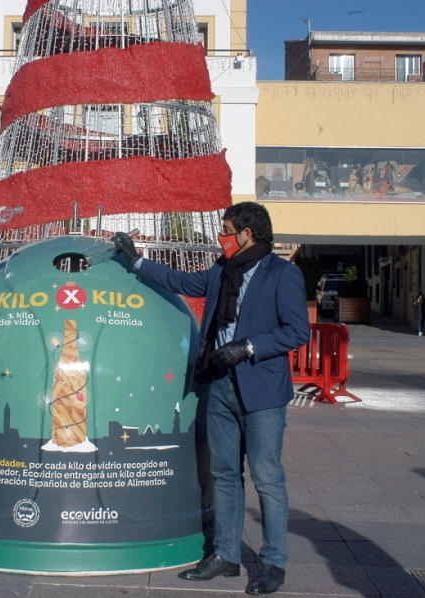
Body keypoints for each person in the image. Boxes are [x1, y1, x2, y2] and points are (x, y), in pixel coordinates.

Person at [112, 202, 309, 595]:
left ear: (246, 234)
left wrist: (247, 347)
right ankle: (225, 555)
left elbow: (296, 331)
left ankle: (273, 562)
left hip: (262, 391)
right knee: (223, 474)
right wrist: (136, 262)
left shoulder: (282, 274)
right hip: (219, 385)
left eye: (226, 229)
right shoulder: (222, 270)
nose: (221, 236)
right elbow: (184, 282)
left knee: (267, 478)